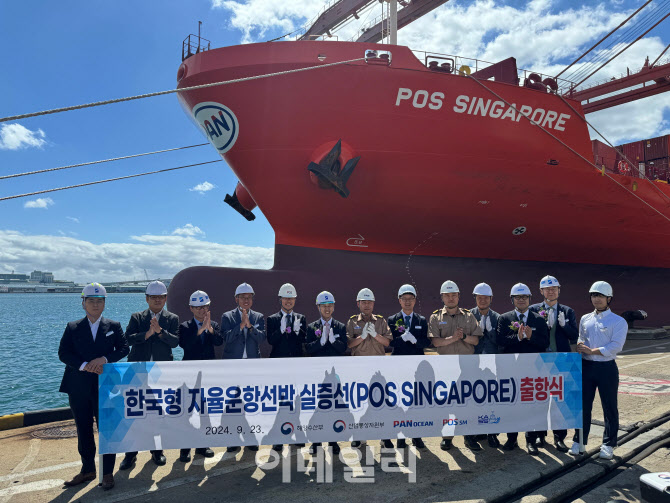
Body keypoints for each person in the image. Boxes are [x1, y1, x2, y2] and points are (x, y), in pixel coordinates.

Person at [58, 283, 129, 490]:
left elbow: (124, 348)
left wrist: (105, 359)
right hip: (78, 385)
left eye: (99, 301)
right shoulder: (73, 327)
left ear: (104, 304)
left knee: (107, 429)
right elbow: (63, 353)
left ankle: (107, 473)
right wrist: (84, 366)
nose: (95, 305)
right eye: (91, 301)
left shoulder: (113, 326)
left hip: (106, 385)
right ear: (83, 303)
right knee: (83, 428)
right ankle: (87, 469)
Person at [120, 280, 179, 470]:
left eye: (161, 297)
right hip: (138, 372)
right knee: (135, 412)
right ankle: (131, 453)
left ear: (165, 299)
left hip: (161, 373)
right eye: (153, 297)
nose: (157, 300)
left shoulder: (172, 318)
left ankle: (157, 450)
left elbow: (175, 342)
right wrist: (147, 334)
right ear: (146, 299)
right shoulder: (137, 317)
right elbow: (127, 340)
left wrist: (160, 332)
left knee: (158, 413)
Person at [569, 281, 627, 460]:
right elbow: (581, 337)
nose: (597, 299)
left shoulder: (618, 321)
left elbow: (615, 346)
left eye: (600, 296)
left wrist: (592, 351)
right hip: (587, 367)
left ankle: (608, 444)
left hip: (606, 368)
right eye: (594, 295)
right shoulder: (586, 318)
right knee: (583, 405)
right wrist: (580, 345)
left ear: (609, 298)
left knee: (609, 407)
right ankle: (579, 440)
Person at [429, 280, 483, 452]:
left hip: (467, 367)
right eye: (447, 295)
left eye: (453, 295)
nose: (451, 298)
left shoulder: (469, 316)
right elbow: (435, 342)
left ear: (459, 296)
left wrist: (464, 336)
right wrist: (453, 338)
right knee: (447, 404)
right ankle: (447, 437)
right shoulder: (435, 317)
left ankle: (469, 436)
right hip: (446, 368)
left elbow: (475, 340)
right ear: (442, 297)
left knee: (468, 403)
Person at [496, 283, 549, 455]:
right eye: (518, 297)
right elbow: (500, 341)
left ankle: (531, 440)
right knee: (512, 404)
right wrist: (517, 338)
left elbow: (544, 343)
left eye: (524, 297)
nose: (521, 300)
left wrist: (531, 337)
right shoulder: (504, 319)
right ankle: (512, 439)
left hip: (533, 370)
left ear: (529, 299)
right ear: (512, 299)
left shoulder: (539, 320)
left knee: (532, 405)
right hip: (512, 369)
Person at [529, 275, 579, 453]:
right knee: (538, 399)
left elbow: (574, 335)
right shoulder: (533, 310)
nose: (550, 291)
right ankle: (537, 436)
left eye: (554, 288)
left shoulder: (568, 311)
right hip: (539, 359)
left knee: (560, 401)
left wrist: (563, 325)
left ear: (559, 290)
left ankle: (559, 438)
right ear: (541, 291)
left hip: (561, 359)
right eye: (547, 289)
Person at [177, 290, 222, 463]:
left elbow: (219, 342)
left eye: (205, 307)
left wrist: (209, 329)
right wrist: (199, 331)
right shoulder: (185, 326)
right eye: (198, 308)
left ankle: (203, 445)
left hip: (208, 373)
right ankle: (185, 448)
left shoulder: (214, 324)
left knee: (205, 410)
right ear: (191, 308)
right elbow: (185, 345)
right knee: (187, 410)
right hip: (189, 373)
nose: (202, 311)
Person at [220, 282, 266, 452]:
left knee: (250, 403)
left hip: (252, 366)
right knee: (232, 404)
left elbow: (262, 338)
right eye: (243, 297)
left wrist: (250, 326)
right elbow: (226, 338)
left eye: (249, 297)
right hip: (233, 366)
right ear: (236, 299)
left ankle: (250, 437)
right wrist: (240, 326)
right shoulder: (227, 317)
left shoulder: (259, 317)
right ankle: (233, 439)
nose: (246, 300)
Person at [347, 288, 393, 449]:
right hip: (358, 368)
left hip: (378, 369)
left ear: (373, 303)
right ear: (358, 303)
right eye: (363, 302)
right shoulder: (352, 321)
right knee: (360, 404)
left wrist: (375, 335)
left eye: (369, 302)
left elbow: (387, 343)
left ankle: (384, 436)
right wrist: (362, 337)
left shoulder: (380, 321)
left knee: (381, 403)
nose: (366, 305)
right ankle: (360, 436)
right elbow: (349, 344)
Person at [305, 291, 347, 455]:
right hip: (318, 375)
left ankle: (333, 441)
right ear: (318, 307)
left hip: (335, 375)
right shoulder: (311, 327)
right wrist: (320, 341)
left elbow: (343, 348)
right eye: (324, 306)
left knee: (334, 408)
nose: (327, 309)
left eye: (330, 306)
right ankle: (315, 442)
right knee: (317, 408)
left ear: (334, 307)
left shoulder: (340, 327)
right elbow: (308, 348)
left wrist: (333, 341)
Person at [267, 283, 307, 452]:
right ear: (280, 299)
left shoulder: (301, 318)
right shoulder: (272, 319)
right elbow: (271, 341)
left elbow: (303, 340)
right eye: (286, 298)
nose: (288, 301)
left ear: (295, 299)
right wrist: (281, 330)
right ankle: (278, 437)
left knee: (296, 401)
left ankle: (296, 433)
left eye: (291, 298)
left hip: (296, 364)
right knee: (280, 402)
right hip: (279, 366)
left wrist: (298, 332)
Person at [388, 284, 429, 449]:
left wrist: (415, 340)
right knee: (400, 402)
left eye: (410, 298)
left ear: (414, 300)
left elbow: (427, 342)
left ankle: (416, 436)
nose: (407, 301)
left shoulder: (421, 320)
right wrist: (402, 339)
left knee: (416, 402)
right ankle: (401, 436)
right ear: (399, 300)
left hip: (417, 367)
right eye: (404, 299)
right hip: (399, 366)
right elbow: (389, 342)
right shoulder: (392, 320)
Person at [469, 282, 501, 448]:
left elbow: (501, 343)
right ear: (475, 298)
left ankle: (492, 434)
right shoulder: (468, 316)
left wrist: (490, 332)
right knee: (474, 398)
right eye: (479, 297)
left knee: (492, 399)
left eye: (485, 298)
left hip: (492, 364)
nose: (482, 300)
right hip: (473, 363)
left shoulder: (498, 318)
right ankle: (475, 432)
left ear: (491, 299)